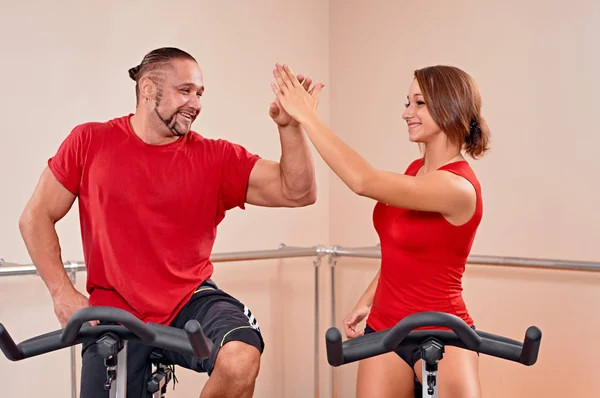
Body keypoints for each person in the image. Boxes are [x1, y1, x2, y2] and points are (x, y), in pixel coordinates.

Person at [18, 47, 324, 398]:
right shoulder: (90, 142)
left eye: (200, 93)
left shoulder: (215, 158)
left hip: (188, 299)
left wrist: (290, 127)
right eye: (185, 91)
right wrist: (61, 293)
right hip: (115, 310)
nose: (195, 103)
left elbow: (297, 191)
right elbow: (35, 217)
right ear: (148, 89)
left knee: (240, 356)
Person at [270, 63, 490, 397]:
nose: (407, 113)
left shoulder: (457, 187)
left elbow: (363, 181)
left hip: (442, 331)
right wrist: (368, 299)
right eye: (407, 102)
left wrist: (308, 117)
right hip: (387, 325)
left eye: (419, 103)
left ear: (448, 107)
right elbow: (402, 249)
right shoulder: (415, 170)